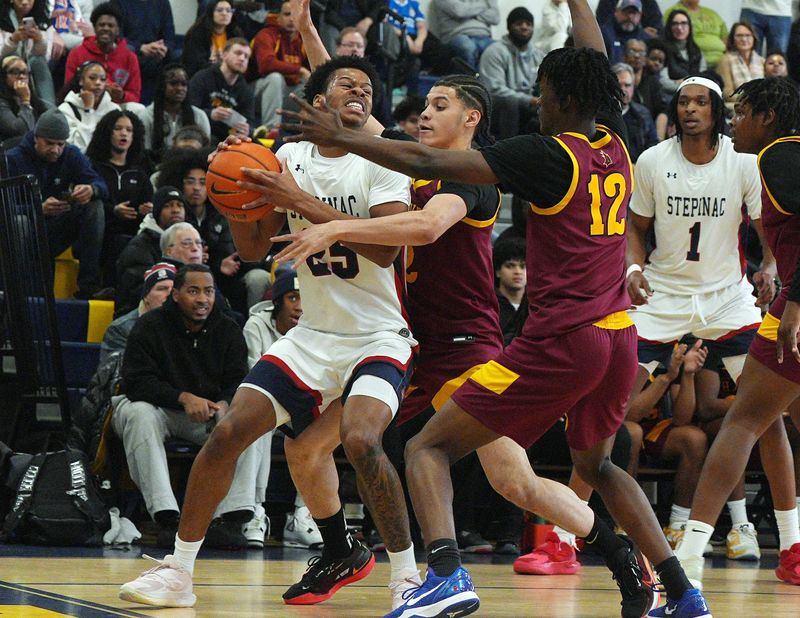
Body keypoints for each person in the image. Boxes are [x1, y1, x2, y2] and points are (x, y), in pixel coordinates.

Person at [280, 1, 711, 617]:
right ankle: (679, 590)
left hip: (492, 342)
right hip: (591, 335)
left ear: (473, 115)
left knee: (444, 456)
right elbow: (367, 122)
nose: (537, 102)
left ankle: (449, 576)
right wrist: (310, 42)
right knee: (591, 464)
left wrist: (333, 173)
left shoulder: (521, 162)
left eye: (439, 106)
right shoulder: (611, 140)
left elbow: (425, 209)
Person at [119, 55, 418, 610]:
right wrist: (233, 185)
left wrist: (298, 200)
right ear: (320, 101)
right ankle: (178, 571)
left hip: (378, 334)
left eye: (369, 86)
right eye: (347, 83)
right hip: (312, 335)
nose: (361, 91)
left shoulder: (383, 160)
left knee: (360, 440)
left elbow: (383, 246)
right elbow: (255, 250)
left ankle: (406, 578)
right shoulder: (288, 156)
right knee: (230, 431)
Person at [628, 75, 800, 581]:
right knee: (753, 418)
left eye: (739, 110)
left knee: (751, 421)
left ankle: (693, 553)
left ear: (765, 117)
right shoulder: (656, 160)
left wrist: (789, 297)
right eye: (685, 101)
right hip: (667, 298)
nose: (731, 118)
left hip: (740, 302)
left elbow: (779, 235)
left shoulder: (767, 159)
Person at [111, 263, 261, 552]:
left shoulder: (228, 329)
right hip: (158, 410)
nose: (202, 299)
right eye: (193, 291)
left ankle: (231, 517)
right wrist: (182, 397)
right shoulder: (149, 326)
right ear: (176, 295)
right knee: (139, 413)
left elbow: (238, 380)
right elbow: (136, 383)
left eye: (208, 291)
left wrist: (224, 404)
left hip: (206, 414)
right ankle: (166, 517)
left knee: (247, 420)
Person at [242, 264, 320, 549]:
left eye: (305, 298)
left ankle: (303, 515)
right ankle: (255, 512)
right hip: (266, 403)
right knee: (258, 424)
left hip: (300, 407)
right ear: (277, 302)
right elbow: (253, 373)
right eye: (292, 298)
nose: (300, 307)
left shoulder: (318, 328)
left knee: (320, 429)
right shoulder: (255, 326)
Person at [6, 108, 109, 300]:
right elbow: (4, 208)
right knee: (19, 221)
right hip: (26, 232)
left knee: (94, 206)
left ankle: (88, 285)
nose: (55, 150)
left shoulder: (70, 154)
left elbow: (102, 185)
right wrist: (37, 208)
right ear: (36, 138)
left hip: (57, 228)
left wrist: (91, 189)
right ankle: (18, 288)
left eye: (60, 144)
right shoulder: (13, 159)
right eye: (49, 144)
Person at [158, 149, 270, 313]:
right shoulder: (175, 215)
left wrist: (225, 265)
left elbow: (234, 254)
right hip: (186, 278)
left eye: (203, 182)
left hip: (225, 279)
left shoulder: (222, 214)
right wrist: (217, 266)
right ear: (180, 183)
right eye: (190, 182)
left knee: (256, 278)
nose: (196, 188)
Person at [85, 109, 153, 287]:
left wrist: (145, 209)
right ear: (108, 132)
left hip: (133, 233)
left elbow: (149, 203)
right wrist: (113, 210)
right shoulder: (93, 166)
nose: (124, 133)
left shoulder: (140, 172)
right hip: (101, 233)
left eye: (129, 130)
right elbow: (88, 205)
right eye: (118, 128)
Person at [115, 186, 186, 316]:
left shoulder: (190, 242)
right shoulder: (140, 246)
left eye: (180, 205)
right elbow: (140, 292)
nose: (176, 210)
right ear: (157, 212)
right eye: (168, 206)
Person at [478, 6, 545, 140]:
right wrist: (529, 100)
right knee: (510, 102)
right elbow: (494, 89)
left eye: (528, 24)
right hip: (499, 106)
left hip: (530, 104)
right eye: (519, 23)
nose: (524, 27)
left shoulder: (539, 55)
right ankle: (505, 150)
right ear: (509, 27)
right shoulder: (495, 52)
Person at [250, 2, 309, 134]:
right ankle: (271, 131)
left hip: (284, 95)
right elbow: (266, 64)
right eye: (287, 14)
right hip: (254, 92)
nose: (292, 19)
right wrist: (299, 70)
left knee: (313, 84)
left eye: (295, 15)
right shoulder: (266, 35)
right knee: (275, 78)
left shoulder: (301, 40)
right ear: (278, 17)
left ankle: (306, 131)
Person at [64, 3, 140, 104]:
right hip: (84, 103)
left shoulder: (130, 57)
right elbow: (69, 89)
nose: (106, 28)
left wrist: (122, 95)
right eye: (101, 25)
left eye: (111, 25)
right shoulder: (77, 53)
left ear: (118, 30)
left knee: (138, 109)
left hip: (117, 107)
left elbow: (135, 96)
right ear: (94, 28)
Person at [100, 261, 175, 363]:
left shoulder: (187, 325)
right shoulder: (121, 329)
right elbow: (113, 373)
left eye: (173, 290)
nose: (169, 294)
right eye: (162, 289)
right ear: (146, 297)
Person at [138, 64, 211, 161]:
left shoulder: (199, 116)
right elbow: (145, 153)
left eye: (184, 84)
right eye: (173, 83)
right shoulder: (147, 116)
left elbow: (205, 152)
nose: (180, 88)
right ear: (163, 86)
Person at [188, 37, 254, 142]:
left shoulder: (246, 90)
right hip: (203, 133)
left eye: (246, 56)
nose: (242, 58)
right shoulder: (202, 77)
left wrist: (247, 130)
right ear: (224, 54)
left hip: (231, 139)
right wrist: (210, 115)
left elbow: (249, 122)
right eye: (238, 53)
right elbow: (188, 111)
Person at [110, 0, 175, 104]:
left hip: (156, 56)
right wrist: (140, 48)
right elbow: (115, 37)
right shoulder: (118, 2)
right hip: (131, 53)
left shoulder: (162, 3)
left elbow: (170, 37)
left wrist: (163, 48)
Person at [0, 0, 56, 105]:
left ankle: (50, 108)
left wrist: (39, 40)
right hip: (5, 67)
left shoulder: (42, 20)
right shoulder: (2, 18)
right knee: (15, 59)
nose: (25, 2)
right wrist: (13, 40)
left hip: (30, 67)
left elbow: (46, 56)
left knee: (39, 61)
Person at [58, 60, 120, 152]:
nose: (98, 82)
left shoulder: (114, 109)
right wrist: (88, 110)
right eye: (92, 78)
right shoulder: (66, 109)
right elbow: (79, 147)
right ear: (81, 81)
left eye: (102, 79)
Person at [182, 0, 244, 78]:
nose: (224, 14)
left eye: (228, 11)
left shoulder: (236, 34)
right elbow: (194, 65)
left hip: (229, 77)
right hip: (202, 77)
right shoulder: (197, 33)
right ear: (211, 13)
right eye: (219, 10)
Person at [431, 0, 499, 70]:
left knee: (499, 49)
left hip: (484, 36)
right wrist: (483, 5)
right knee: (467, 47)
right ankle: (470, 79)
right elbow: (460, 11)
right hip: (456, 35)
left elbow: (495, 18)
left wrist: (469, 11)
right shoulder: (485, 1)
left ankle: (484, 80)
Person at [613, 61, 657, 161]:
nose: (623, 90)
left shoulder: (643, 114)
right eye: (619, 85)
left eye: (627, 85)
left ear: (633, 87)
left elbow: (653, 147)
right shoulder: (600, 115)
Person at [663, 0, 726, 69]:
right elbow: (668, 36)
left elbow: (725, 37)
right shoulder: (674, 12)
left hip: (721, 59)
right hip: (693, 57)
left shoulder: (712, 13)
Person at [0, 55, 50, 141]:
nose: (21, 77)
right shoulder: (2, 102)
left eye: (25, 72)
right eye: (15, 72)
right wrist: (25, 102)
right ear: (4, 76)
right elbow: (20, 132)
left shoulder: (36, 101)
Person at [624, 37, 667, 139]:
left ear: (646, 58)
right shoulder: (617, 80)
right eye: (632, 51)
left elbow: (662, 111)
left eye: (642, 53)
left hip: (648, 133)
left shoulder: (652, 82)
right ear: (624, 56)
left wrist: (658, 140)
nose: (637, 56)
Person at [717, 22, 764, 111]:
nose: (744, 39)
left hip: (761, 104)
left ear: (754, 38)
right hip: (737, 104)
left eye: (748, 35)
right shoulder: (725, 59)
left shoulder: (762, 61)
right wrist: (750, 101)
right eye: (739, 36)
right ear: (732, 39)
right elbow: (727, 93)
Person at [661, 9, 707, 95]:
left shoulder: (696, 50)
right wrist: (689, 85)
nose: (679, 27)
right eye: (675, 24)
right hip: (672, 96)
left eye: (683, 23)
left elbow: (703, 78)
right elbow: (663, 83)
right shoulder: (662, 49)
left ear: (690, 27)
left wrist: (682, 81)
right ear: (669, 27)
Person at [493, 237, 526, 345]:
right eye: (510, 266)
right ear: (498, 271)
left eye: (523, 266)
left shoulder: (537, 307)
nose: (518, 272)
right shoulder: (488, 305)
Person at [600, 0, 651, 65]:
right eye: (626, 12)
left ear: (640, 16)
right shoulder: (604, 34)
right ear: (616, 12)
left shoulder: (646, 39)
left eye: (634, 13)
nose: (630, 17)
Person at [596, 0, 662, 37]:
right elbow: (601, 26)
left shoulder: (650, 3)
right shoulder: (607, 2)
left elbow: (656, 31)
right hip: (613, 37)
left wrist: (642, 34)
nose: (630, 16)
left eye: (634, 13)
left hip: (639, 40)